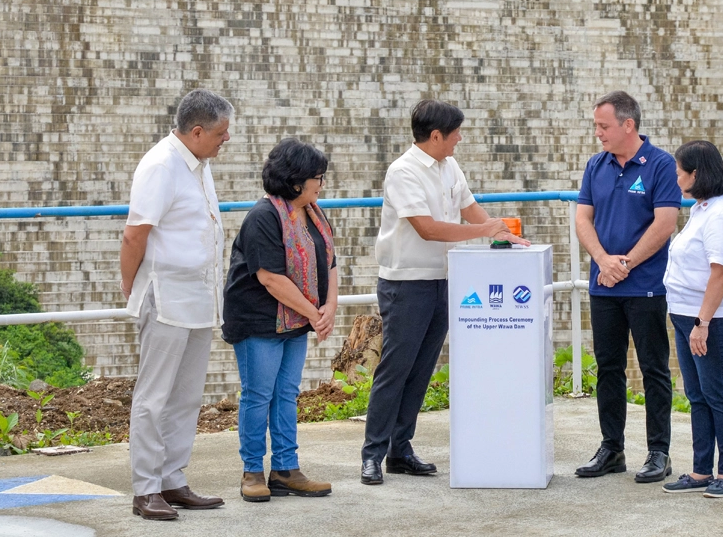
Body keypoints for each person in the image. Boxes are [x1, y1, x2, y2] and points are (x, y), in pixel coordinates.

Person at [360, 99, 529, 486]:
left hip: (444, 278)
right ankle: (372, 454)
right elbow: (428, 228)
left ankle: (400, 450)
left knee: (421, 369)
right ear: (436, 135)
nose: (459, 139)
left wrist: (504, 235)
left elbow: (470, 208)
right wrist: (484, 231)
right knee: (395, 369)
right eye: (455, 133)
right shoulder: (403, 171)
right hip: (406, 283)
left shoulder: (449, 165)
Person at [120, 88, 232, 520]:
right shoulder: (161, 165)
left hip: (199, 297)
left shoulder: (199, 164)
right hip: (166, 296)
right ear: (197, 131)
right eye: (221, 133)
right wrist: (132, 287)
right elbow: (135, 234)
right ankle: (146, 489)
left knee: (186, 396)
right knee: (154, 397)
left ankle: (172, 479)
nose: (226, 139)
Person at [574, 90, 681, 484]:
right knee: (608, 368)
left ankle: (659, 452)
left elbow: (665, 223)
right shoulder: (595, 165)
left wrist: (625, 264)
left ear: (628, 124)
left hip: (646, 286)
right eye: (597, 126)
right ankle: (611, 449)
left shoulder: (661, 164)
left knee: (654, 369)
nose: (598, 133)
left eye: (604, 126)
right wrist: (604, 260)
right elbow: (583, 219)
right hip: (603, 285)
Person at [222, 138, 337, 502]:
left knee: (286, 393)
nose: (321, 184)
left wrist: (330, 306)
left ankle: (286, 469)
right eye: (317, 177)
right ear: (296, 180)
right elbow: (270, 278)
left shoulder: (314, 214)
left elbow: (330, 261)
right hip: (259, 319)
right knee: (258, 395)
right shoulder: (264, 217)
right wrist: (314, 313)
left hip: (296, 319)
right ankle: (252, 471)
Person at [660, 140, 723, 499]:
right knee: (697, 396)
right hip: (686, 317)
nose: (676, 178)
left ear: (696, 174)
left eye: (680, 172)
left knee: (717, 394)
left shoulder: (721, 216)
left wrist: (703, 323)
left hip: (712, 321)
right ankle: (700, 471)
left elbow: (721, 272)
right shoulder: (701, 209)